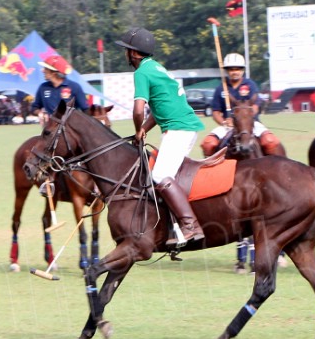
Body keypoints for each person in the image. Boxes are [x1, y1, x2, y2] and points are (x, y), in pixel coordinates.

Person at [116, 26, 204, 246]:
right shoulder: (156, 67)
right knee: (163, 173)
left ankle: (190, 225)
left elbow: (138, 109)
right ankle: (171, 228)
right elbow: (158, 108)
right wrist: (145, 128)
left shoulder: (142, 72)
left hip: (179, 129)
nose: (125, 53)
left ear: (134, 53)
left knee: (160, 175)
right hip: (183, 126)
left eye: (126, 50)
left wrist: (138, 128)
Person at [200, 53, 283, 157]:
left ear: (242, 70)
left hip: (250, 124)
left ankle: (275, 168)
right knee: (208, 144)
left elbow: (255, 106)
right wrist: (224, 122)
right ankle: (211, 171)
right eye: (231, 69)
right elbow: (216, 112)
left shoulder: (250, 85)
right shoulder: (221, 88)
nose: (235, 72)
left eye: (238, 69)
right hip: (228, 126)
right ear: (227, 71)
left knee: (270, 142)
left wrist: (243, 119)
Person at [31, 54, 88, 125]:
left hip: (70, 130)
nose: (42, 70)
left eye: (45, 68)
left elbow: (85, 110)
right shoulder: (43, 87)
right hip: (51, 130)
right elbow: (34, 108)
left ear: (54, 73)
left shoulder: (74, 87)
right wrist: (40, 113)